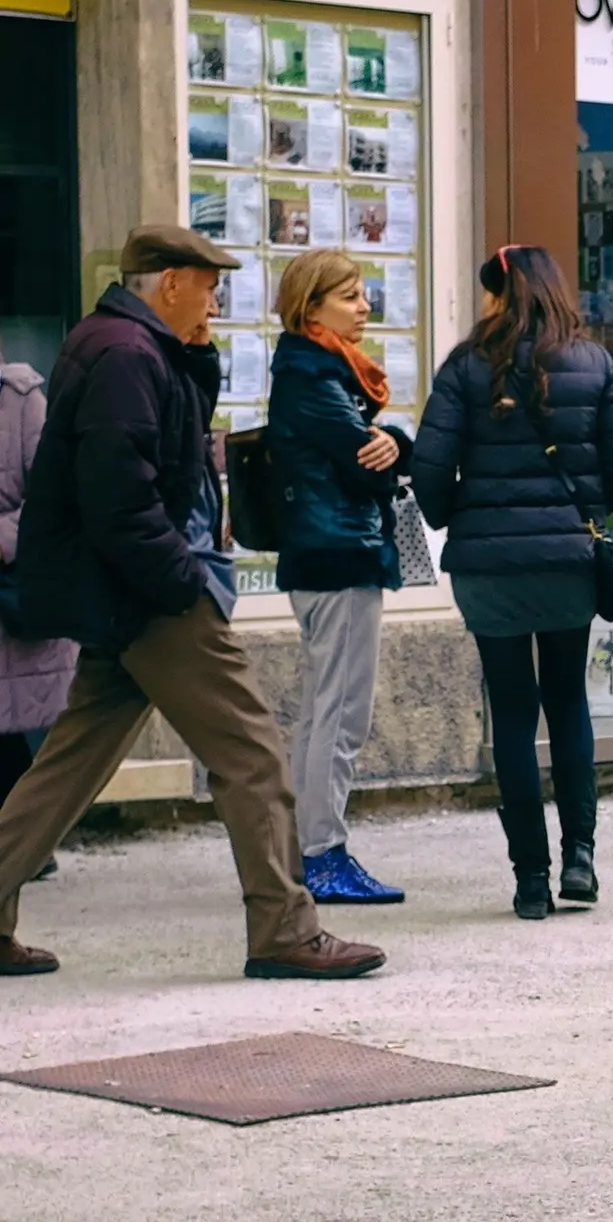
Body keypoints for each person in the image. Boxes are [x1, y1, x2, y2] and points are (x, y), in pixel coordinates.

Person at [0, 226, 386, 980]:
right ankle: (284, 928)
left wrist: (199, 357)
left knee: (64, 769)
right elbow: (119, 500)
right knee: (252, 752)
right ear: (168, 283)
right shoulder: (124, 355)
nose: (215, 299)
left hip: (125, 590)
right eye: (207, 285)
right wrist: (182, 582)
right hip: (150, 594)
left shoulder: (130, 346)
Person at [412, 244, 613, 922]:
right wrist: (589, 515)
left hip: (489, 569)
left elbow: (430, 468)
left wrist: (459, 518)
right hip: (568, 564)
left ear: (499, 294)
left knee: (513, 714)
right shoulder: (592, 361)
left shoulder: (464, 366)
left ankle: (529, 881)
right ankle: (580, 858)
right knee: (568, 699)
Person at [268, 248, 411, 906]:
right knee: (339, 712)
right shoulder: (311, 373)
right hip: (337, 556)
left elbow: (374, 449)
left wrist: (395, 442)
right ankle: (322, 853)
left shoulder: (323, 372)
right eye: (350, 296)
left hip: (333, 552)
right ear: (311, 305)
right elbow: (365, 462)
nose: (364, 308)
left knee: (331, 708)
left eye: (364, 295)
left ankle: (311, 846)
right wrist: (396, 447)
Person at [0, 351, 73, 880]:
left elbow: (55, 498)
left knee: (16, 733)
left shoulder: (21, 399)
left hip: (11, 588)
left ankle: (26, 842)